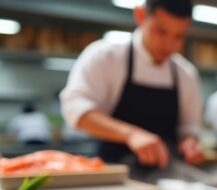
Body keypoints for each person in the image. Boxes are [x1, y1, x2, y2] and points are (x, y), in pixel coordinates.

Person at [60, 0, 204, 177]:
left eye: (178, 36)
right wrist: (131, 134)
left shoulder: (186, 74)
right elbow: (76, 110)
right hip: (110, 175)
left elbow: (189, 128)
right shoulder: (105, 57)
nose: (169, 44)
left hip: (167, 178)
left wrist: (190, 142)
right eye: (161, 31)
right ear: (141, 15)